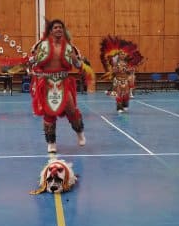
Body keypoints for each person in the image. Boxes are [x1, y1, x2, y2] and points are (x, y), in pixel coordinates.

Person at [29, 19, 86, 153]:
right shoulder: (42, 46)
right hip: (47, 83)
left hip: (63, 82)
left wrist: (76, 59)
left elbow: (78, 66)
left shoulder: (69, 47)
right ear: (51, 30)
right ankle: (51, 142)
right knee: (49, 112)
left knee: (71, 110)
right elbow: (33, 63)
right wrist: (32, 60)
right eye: (55, 27)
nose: (58, 29)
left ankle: (80, 133)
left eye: (60, 27)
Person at [99, 36, 144, 113]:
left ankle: (125, 105)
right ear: (119, 55)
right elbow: (114, 72)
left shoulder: (127, 63)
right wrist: (116, 70)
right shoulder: (115, 64)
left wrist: (130, 70)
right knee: (119, 94)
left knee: (126, 95)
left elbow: (129, 71)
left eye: (124, 54)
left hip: (125, 81)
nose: (123, 55)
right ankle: (119, 107)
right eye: (121, 54)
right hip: (118, 81)